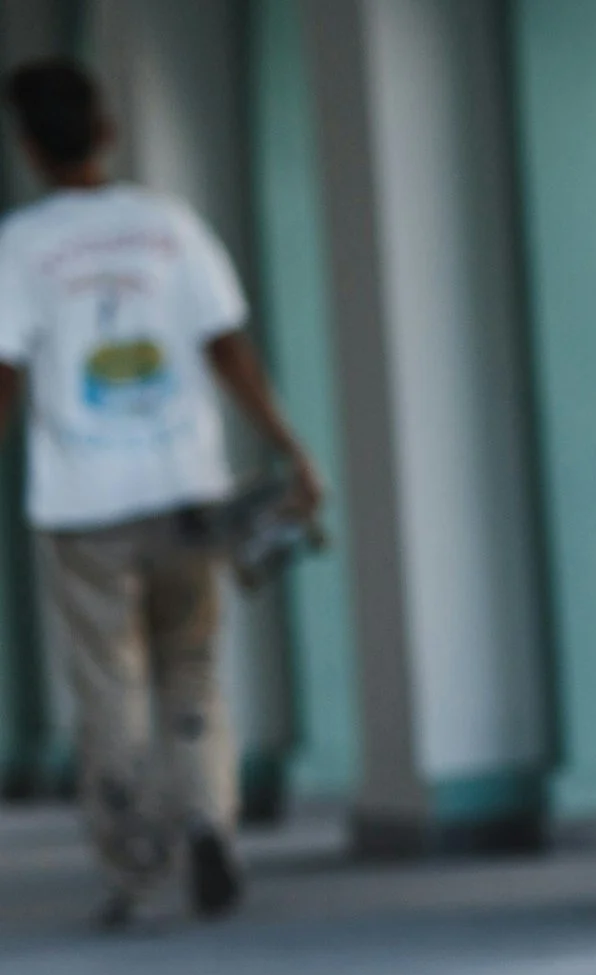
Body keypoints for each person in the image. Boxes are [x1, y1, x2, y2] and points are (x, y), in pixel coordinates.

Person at [0, 58, 323, 929]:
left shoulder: (22, 246)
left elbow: (5, 373)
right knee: (192, 664)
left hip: (82, 502)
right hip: (183, 486)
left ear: (28, 146)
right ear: (107, 130)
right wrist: (292, 449)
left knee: (108, 685)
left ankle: (132, 866)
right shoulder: (167, 227)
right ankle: (206, 819)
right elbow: (229, 351)